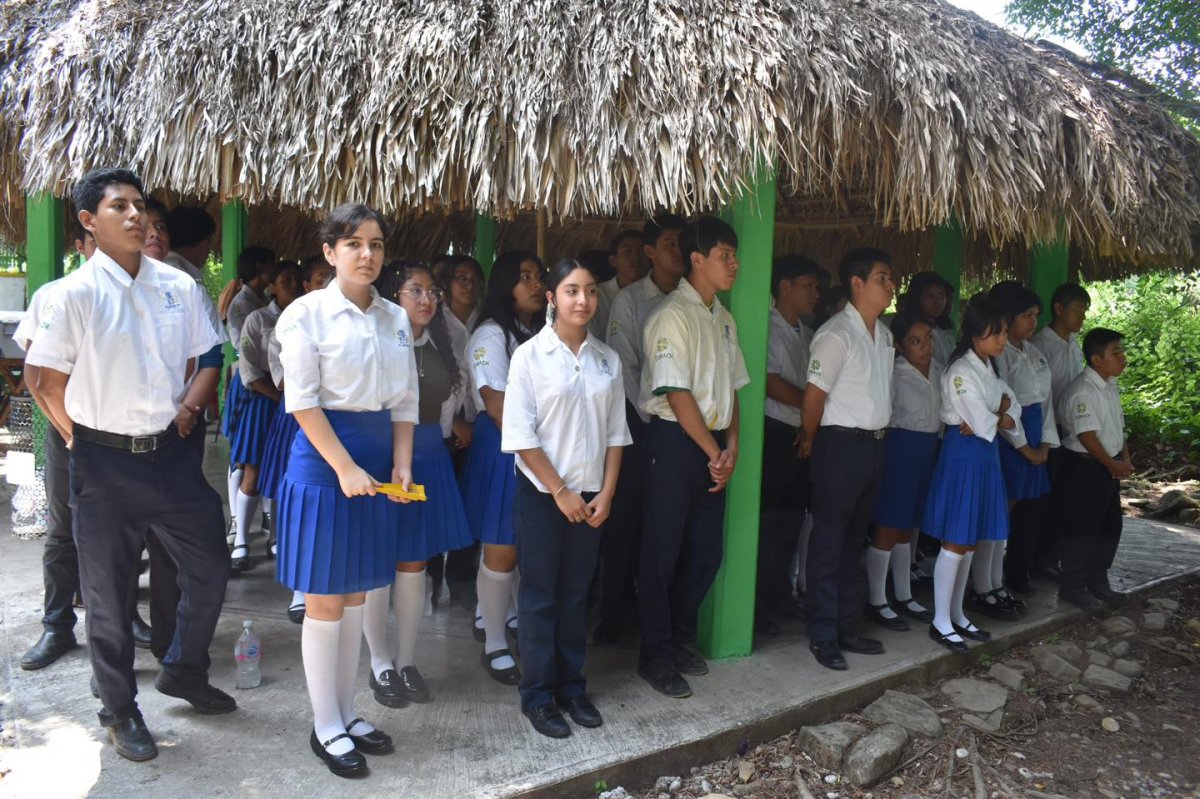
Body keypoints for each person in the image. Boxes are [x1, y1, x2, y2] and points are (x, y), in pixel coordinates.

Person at [26, 168, 233, 762]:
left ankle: (185, 670)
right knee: (109, 597)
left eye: (140, 205)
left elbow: (205, 355)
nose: (137, 216)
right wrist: (79, 437)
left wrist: (189, 408)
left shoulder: (177, 286)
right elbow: (44, 381)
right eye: (120, 207)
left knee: (211, 565)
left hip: (169, 454)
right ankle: (119, 709)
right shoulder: (73, 296)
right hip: (104, 459)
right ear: (90, 221)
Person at [275, 203, 416, 778]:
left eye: (377, 244)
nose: (367, 254)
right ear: (330, 253)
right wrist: (344, 468)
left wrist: (401, 464)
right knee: (326, 600)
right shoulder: (304, 315)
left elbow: (404, 401)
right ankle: (325, 725)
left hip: (379, 460)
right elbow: (302, 402)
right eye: (353, 243)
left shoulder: (396, 318)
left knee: (358, 593)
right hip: (326, 460)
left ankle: (348, 713)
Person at [501, 257, 631, 737]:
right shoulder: (529, 357)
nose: (584, 300)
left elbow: (616, 434)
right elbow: (520, 435)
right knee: (539, 596)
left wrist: (608, 493)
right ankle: (537, 695)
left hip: (592, 496)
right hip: (542, 495)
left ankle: (571, 687)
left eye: (591, 290)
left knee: (577, 595)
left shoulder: (606, 360)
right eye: (572, 290)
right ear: (552, 297)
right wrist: (559, 491)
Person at [637, 216, 748, 698]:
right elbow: (676, 393)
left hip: (713, 446)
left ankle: (677, 638)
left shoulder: (723, 318)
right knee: (662, 553)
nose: (734, 264)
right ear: (697, 259)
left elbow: (734, 388)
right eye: (725, 255)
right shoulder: (670, 315)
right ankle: (654, 655)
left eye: (735, 256)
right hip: (675, 443)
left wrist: (733, 445)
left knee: (705, 553)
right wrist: (713, 452)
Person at [360, 259, 475, 708]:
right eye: (416, 291)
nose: (427, 299)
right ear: (393, 295)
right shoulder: (378, 340)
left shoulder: (443, 344)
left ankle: (406, 661)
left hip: (428, 455)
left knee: (414, 565)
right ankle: (379, 663)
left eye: (432, 292)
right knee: (377, 566)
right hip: (381, 458)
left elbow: (451, 410)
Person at [800, 248, 896, 671]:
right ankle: (823, 633)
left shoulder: (885, 335)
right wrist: (808, 439)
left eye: (890, 279)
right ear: (857, 284)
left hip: (874, 445)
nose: (890, 286)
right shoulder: (836, 334)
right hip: (839, 445)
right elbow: (814, 396)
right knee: (829, 541)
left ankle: (846, 622)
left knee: (855, 538)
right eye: (882, 278)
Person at [595, 213, 686, 646]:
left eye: (682, 243)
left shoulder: (693, 300)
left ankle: (655, 610)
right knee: (625, 521)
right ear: (651, 252)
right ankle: (612, 613)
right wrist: (650, 417)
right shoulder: (630, 301)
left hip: (678, 427)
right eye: (670, 243)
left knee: (664, 522)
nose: (679, 250)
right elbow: (623, 366)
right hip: (638, 421)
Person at [460, 251, 546, 683]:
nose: (535, 284)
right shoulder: (491, 335)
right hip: (505, 448)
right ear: (505, 285)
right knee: (501, 549)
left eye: (538, 276)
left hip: (532, 446)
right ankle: (494, 641)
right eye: (524, 275)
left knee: (520, 544)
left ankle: (507, 619)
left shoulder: (536, 332)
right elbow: (496, 405)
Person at [922, 295, 1019, 652]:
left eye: (1005, 333)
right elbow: (981, 421)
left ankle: (957, 613)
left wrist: (998, 414)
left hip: (984, 453)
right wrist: (999, 414)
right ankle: (941, 620)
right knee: (957, 539)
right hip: (964, 455)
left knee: (970, 538)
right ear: (977, 333)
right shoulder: (961, 371)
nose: (1003, 340)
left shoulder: (990, 367)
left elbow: (1012, 408)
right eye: (997, 333)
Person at [260, 256, 333, 622]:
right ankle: (299, 589)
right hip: (299, 422)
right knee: (297, 509)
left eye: (331, 278)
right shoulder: (289, 325)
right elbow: (286, 382)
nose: (327, 283)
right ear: (307, 286)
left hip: (339, 424)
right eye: (320, 278)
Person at [865, 311, 943, 632]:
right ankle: (876, 600)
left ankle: (903, 594)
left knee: (908, 526)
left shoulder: (939, 370)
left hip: (928, 450)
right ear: (899, 345)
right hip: (900, 448)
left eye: (927, 339)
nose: (924, 346)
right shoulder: (894, 373)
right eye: (915, 341)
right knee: (889, 522)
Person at [756, 254, 820, 638]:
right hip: (776, 432)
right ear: (784, 286)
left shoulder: (808, 333)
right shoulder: (767, 327)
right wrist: (810, 407)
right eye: (808, 285)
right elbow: (771, 382)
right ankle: (759, 602)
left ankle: (780, 593)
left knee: (792, 521)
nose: (815, 293)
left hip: (802, 434)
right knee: (768, 523)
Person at [987, 283, 1058, 609]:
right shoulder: (999, 357)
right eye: (1026, 315)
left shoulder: (1034, 352)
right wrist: (1022, 448)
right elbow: (1002, 409)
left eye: (1035, 316)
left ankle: (1014, 572)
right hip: (1008, 440)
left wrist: (1043, 443)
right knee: (1001, 508)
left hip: (1033, 434)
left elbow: (1045, 402)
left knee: (1026, 511)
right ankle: (986, 581)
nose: (1032, 322)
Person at [231, 260, 304, 570]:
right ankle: (241, 540)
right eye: (285, 280)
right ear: (272, 286)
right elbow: (249, 369)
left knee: (282, 472)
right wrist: (282, 398)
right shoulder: (257, 320)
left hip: (296, 406)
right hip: (264, 400)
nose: (293, 286)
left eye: (296, 281)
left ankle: (275, 537)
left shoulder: (306, 317)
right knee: (254, 471)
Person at [1055, 328, 1132, 611]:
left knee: (1109, 525)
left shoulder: (1109, 384)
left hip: (1107, 466)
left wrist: (1124, 457)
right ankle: (1073, 586)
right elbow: (1088, 437)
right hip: (1084, 468)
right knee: (1082, 528)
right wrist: (1113, 464)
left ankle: (1098, 582)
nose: (1123, 358)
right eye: (1116, 353)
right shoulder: (1083, 391)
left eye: (1122, 352)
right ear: (1097, 359)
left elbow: (1117, 426)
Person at [433, 254, 485, 607]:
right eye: (460, 278)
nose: (468, 284)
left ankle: (463, 576)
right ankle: (430, 576)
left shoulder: (486, 323)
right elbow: (430, 382)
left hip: (479, 426)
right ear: (447, 285)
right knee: (439, 504)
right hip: (444, 427)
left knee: (471, 503)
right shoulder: (437, 322)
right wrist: (455, 424)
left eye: (473, 278)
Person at [1031, 282, 1090, 579]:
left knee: (1063, 498)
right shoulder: (1042, 345)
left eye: (1085, 310)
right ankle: (1031, 560)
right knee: (1041, 498)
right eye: (1078, 309)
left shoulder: (1074, 343)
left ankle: (1048, 558)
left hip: (1070, 430)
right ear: (1059, 309)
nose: (1082, 316)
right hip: (1047, 428)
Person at [221, 245, 276, 546]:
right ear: (258, 268)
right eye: (270, 266)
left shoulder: (263, 300)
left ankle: (266, 520)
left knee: (262, 455)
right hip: (249, 384)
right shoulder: (241, 306)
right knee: (244, 457)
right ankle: (237, 526)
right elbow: (249, 354)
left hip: (265, 381)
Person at [589, 230, 645, 341]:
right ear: (613, 261)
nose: (636, 257)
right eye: (628, 252)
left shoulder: (656, 295)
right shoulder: (597, 297)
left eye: (641, 251)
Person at [899, 272, 957, 365]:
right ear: (916, 298)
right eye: (929, 297)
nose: (937, 301)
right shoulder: (909, 329)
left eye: (941, 296)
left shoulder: (944, 328)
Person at [163, 205, 216, 284]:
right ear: (204, 243)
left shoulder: (167, 267)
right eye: (209, 242)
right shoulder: (177, 274)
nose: (209, 250)